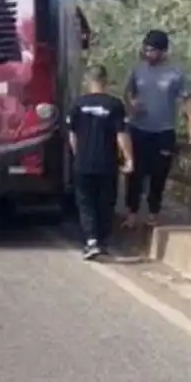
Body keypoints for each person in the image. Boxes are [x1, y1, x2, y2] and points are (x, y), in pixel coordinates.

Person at [123, 30, 191, 228]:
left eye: (153, 50)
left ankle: (153, 212)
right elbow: (128, 93)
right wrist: (132, 105)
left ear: (164, 51)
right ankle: (131, 213)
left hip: (164, 131)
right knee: (135, 174)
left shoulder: (176, 74)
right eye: (146, 49)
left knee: (159, 173)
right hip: (139, 129)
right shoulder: (137, 70)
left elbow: (186, 100)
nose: (149, 53)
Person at [68, 65, 133, 260]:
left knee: (85, 203)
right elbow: (121, 134)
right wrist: (129, 158)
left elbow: (73, 135)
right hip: (107, 163)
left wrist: (78, 155)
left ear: (88, 81)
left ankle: (91, 241)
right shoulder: (115, 105)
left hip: (84, 163)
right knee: (105, 203)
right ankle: (102, 241)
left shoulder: (78, 104)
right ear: (106, 81)